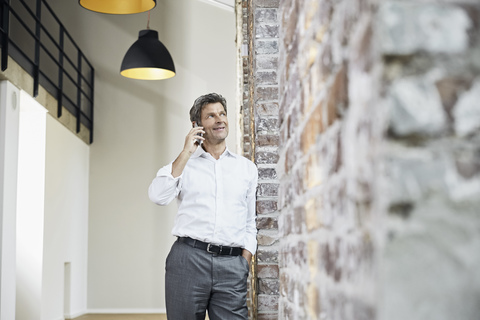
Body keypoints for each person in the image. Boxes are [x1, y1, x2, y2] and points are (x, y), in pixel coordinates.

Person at [148, 93, 258, 320]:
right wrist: (187, 152)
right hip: (188, 260)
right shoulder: (183, 166)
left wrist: (244, 261)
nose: (220, 119)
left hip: (232, 265)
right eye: (211, 116)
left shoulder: (247, 169)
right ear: (196, 125)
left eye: (222, 114)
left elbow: (250, 221)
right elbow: (158, 196)